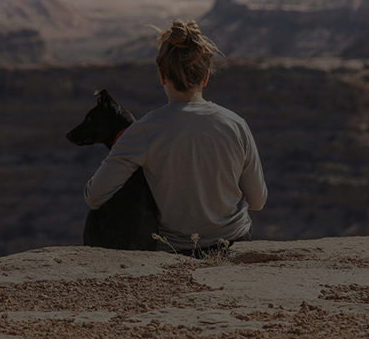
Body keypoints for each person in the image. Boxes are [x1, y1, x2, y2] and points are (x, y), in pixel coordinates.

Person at [83, 19, 267, 255]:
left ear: (161, 76)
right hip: (234, 243)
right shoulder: (236, 124)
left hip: (177, 250)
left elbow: (94, 197)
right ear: (206, 77)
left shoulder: (142, 131)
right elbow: (258, 201)